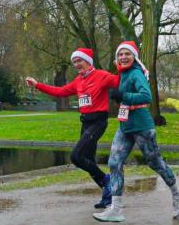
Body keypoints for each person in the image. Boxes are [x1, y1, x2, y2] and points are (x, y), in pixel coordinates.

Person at [94, 42, 179, 224]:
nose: (123, 57)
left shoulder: (136, 73)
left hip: (142, 126)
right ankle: (115, 209)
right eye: (120, 54)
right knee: (114, 163)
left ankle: (178, 193)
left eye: (126, 54)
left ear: (134, 56)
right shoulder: (122, 74)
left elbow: (147, 96)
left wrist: (123, 96)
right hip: (125, 126)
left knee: (155, 163)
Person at [26, 48, 119, 209]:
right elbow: (60, 91)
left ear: (88, 61)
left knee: (76, 156)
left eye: (79, 60)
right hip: (86, 122)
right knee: (88, 160)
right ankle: (108, 192)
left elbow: (120, 81)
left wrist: (124, 67)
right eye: (74, 62)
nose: (76, 64)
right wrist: (37, 85)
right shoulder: (78, 80)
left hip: (98, 122)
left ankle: (107, 180)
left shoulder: (101, 76)